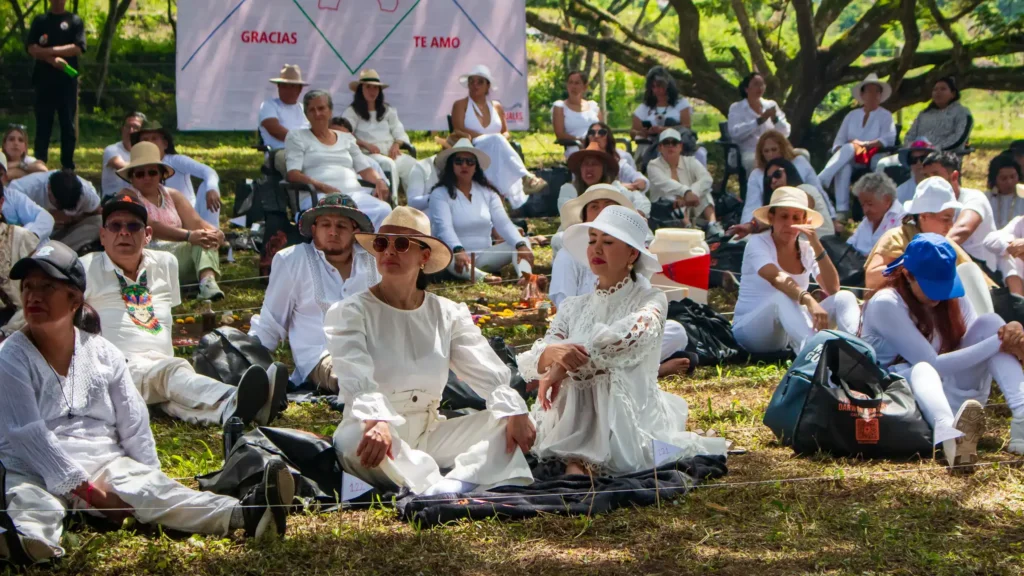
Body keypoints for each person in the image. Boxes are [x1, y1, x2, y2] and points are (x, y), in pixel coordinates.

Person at [0, 241, 293, 565]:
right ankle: (25, 543)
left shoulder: (103, 354)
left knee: (157, 492)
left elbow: (133, 422)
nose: (33, 296)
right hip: (33, 467)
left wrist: (147, 478)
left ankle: (246, 514)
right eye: (28, 287)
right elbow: (28, 436)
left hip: (102, 462)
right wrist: (92, 495)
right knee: (31, 507)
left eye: (46, 287)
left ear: (74, 299)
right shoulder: (11, 356)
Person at [327, 206, 536, 495]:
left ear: (424, 257)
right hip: (371, 429)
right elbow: (354, 373)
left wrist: (514, 410)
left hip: (429, 435)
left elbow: (484, 368)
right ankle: (454, 482)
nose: (389, 251)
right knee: (357, 442)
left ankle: (445, 485)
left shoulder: (448, 313)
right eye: (382, 243)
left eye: (401, 244)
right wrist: (377, 420)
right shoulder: (351, 311)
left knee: (510, 422)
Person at [518, 206, 726, 476]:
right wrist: (555, 356)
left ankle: (584, 460)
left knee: (579, 468)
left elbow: (619, 343)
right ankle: (577, 457)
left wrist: (561, 365)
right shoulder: (573, 306)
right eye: (592, 240)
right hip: (570, 416)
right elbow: (537, 356)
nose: (596, 249)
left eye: (608, 242)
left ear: (632, 253)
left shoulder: (651, 299)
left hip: (625, 419)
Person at [79, 192, 284, 428]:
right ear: (102, 235)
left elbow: (165, 316)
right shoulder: (85, 268)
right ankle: (234, 396)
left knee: (172, 392)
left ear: (147, 235)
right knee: (170, 374)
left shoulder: (166, 263)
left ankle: (234, 411)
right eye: (115, 226)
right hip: (115, 369)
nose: (124, 232)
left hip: (159, 366)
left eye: (133, 226)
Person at [860, 233, 1024, 466]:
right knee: (923, 369)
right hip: (900, 401)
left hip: (953, 393)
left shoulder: (952, 294)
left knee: (991, 322)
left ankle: (1022, 414)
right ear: (908, 275)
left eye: (945, 283)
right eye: (932, 286)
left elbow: (979, 343)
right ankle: (950, 438)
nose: (940, 295)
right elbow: (932, 364)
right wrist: (1001, 340)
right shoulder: (886, 303)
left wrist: (1009, 332)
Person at [548, 185, 691, 377]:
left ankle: (633, 371)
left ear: (631, 253)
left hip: (617, 338)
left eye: (608, 207)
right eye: (595, 207)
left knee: (674, 332)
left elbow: (636, 324)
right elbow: (563, 310)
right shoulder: (568, 259)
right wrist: (554, 351)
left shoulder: (644, 285)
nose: (597, 249)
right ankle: (647, 371)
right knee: (563, 348)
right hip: (576, 337)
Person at [250, 194, 378, 391]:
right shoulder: (293, 260)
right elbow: (270, 323)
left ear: (355, 231)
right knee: (348, 377)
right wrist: (247, 357)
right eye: (326, 225)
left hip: (373, 353)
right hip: (323, 357)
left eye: (342, 226)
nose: (333, 232)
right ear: (314, 229)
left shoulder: (373, 261)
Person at [731, 187, 861, 355]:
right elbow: (777, 278)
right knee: (781, 297)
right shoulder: (757, 243)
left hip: (789, 332)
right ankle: (815, 355)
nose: (790, 224)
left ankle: (856, 352)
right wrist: (809, 300)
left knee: (845, 297)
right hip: (751, 332)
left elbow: (833, 289)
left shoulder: (806, 249)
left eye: (796, 218)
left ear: (805, 221)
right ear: (771, 218)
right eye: (784, 216)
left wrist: (815, 243)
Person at [864, 177, 995, 307]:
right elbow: (871, 278)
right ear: (924, 216)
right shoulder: (896, 237)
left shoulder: (946, 245)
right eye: (945, 219)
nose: (950, 225)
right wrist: (911, 266)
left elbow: (975, 278)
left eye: (951, 219)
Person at [116, 142, 224, 300]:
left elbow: (197, 223)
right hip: (147, 260)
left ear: (161, 174)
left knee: (205, 237)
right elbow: (150, 226)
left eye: (152, 172)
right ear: (131, 178)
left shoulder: (173, 195)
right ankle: (200, 282)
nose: (147, 178)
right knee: (199, 238)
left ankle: (207, 283)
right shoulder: (126, 196)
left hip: (177, 255)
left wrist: (217, 233)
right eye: (140, 174)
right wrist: (188, 236)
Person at [428, 139, 534, 283]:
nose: (464, 165)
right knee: (445, 254)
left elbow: (503, 223)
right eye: (458, 161)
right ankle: (483, 278)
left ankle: (526, 278)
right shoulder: (439, 194)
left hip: (484, 256)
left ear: (476, 167)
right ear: (451, 165)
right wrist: (458, 250)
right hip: (454, 257)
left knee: (521, 241)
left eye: (470, 161)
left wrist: (520, 245)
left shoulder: (488, 192)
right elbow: (444, 228)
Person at [285, 89, 392, 230]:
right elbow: (293, 174)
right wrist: (324, 187)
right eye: (312, 110)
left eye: (321, 108)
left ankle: (371, 244)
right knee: (340, 212)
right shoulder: (296, 137)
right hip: (319, 196)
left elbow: (365, 169)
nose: (317, 114)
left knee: (384, 209)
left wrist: (379, 181)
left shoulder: (346, 138)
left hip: (354, 195)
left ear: (330, 111)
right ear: (306, 114)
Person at [450, 64, 547, 209]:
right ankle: (525, 177)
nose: (475, 85)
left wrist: (501, 139)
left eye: (480, 82)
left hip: (496, 150)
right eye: (472, 81)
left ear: (487, 86)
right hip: (472, 146)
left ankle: (498, 200)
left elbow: (505, 132)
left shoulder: (496, 106)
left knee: (497, 144)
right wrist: (493, 138)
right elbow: (458, 129)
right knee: (496, 140)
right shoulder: (461, 105)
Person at [817, 74, 897, 219]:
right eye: (869, 91)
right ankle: (842, 210)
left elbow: (888, 139)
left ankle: (822, 179)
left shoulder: (885, 116)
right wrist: (845, 150)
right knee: (845, 164)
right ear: (862, 94)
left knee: (850, 147)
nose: (873, 95)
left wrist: (864, 144)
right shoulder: (851, 115)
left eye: (876, 92)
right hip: (850, 157)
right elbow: (839, 140)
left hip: (872, 156)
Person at [923, 152, 1007, 277]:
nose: (930, 182)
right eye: (926, 176)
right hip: (947, 267)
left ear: (954, 176)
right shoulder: (926, 204)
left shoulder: (975, 198)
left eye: (936, 175)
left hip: (982, 274)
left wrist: (928, 256)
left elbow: (962, 230)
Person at [25, 0, 84, 170]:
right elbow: (31, 48)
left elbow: (78, 48)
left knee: (68, 125)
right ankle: (40, 164)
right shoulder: (40, 21)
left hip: (67, 82)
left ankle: (67, 166)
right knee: (43, 124)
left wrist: (50, 52)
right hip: (43, 82)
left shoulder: (74, 21)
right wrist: (52, 60)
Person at [342, 69, 417, 200]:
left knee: (413, 165)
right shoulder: (352, 112)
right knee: (389, 165)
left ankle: (415, 201)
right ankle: (392, 203)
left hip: (390, 152)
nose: (372, 91)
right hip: (369, 155)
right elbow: (345, 133)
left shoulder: (388, 110)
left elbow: (399, 131)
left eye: (375, 88)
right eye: (368, 87)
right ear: (360, 89)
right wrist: (365, 144)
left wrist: (396, 144)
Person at [132, 121, 222, 227]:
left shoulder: (176, 161)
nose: (150, 143)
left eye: (154, 138)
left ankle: (213, 231)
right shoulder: (134, 168)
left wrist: (211, 188)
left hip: (191, 216)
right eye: (145, 140)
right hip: (158, 219)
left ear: (165, 144)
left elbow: (208, 171)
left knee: (207, 185)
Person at [742, 130, 835, 229]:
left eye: (774, 149)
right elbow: (751, 205)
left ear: (782, 148)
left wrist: (833, 217)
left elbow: (818, 191)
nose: (771, 154)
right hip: (771, 221)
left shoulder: (800, 163)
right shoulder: (757, 174)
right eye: (766, 151)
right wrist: (747, 226)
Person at [730, 158, 834, 239]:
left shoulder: (805, 189)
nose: (773, 181)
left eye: (777, 174)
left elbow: (793, 207)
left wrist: (751, 226)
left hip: (822, 250)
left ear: (789, 172)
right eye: (768, 180)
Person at [647, 129, 720, 235]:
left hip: (690, 204)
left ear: (680, 146)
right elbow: (666, 183)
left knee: (705, 192)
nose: (670, 146)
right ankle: (688, 227)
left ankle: (713, 225)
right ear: (660, 147)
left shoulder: (691, 161)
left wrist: (692, 193)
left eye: (674, 143)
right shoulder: (653, 165)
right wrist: (686, 193)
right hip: (664, 211)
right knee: (671, 198)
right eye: (666, 143)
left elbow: (707, 179)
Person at [630, 66, 708, 166]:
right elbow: (633, 132)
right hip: (652, 146)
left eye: (659, 86)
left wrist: (663, 130)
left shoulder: (681, 103)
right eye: (653, 87)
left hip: (679, 144)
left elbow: (686, 127)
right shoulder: (645, 107)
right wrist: (642, 133)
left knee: (700, 154)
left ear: (668, 85)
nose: (656, 90)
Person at [7, 170, 101, 253]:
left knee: (99, 221)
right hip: (33, 234)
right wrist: (46, 218)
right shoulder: (24, 188)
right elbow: (10, 222)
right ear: (49, 188)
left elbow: (97, 213)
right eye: (59, 205)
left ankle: (57, 252)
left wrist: (72, 219)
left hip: (66, 233)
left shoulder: (86, 193)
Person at [556, 141, 650, 219]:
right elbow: (568, 213)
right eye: (585, 164)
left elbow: (640, 199)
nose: (589, 169)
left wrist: (638, 213)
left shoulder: (614, 187)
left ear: (604, 169)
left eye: (594, 164)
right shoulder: (569, 189)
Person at [0, 180, 39, 340]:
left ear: (1, 203)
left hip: (15, 328)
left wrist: (7, 332)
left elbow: (39, 294)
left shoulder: (22, 239)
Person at [728, 72, 790, 173]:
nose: (760, 88)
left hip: (775, 149)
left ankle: (795, 182)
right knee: (754, 162)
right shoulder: (736, 108)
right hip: (750, 151)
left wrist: (775, 120)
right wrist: (759, 121)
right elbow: (735, 133)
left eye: (762, 84)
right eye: (756, 84)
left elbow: (786, 132)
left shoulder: (771, 105)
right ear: (746, 89)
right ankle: (759, 183)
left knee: (802, 155)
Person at [259, 64, 310, 175]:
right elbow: (275, 130)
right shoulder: (269, 106)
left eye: (292, 86)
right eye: (284, 86)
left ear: (300, 89)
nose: (288, 90)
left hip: (307, 150)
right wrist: (302, 142)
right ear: (278, 87)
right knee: (294, 163)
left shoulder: (305, 109)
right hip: (279, 152)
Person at [903, 77, 972, 153]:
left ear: (953, 94)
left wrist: (933, 148)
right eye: (935, 90)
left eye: (943, 89)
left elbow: (959, 138)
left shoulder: (962, 113)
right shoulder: (924, 114)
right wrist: (914, 148)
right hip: (917, 154)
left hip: (946, 156)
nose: (938, 92)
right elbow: (910, 136)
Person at [846, 173, 905, 256]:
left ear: (887, 200)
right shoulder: (867, 221)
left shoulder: (902, 221)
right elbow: (848, 246)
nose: (865, 210)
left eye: (870, 204)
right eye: (862, 205)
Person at [581, 121, 647, 191]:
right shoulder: (580, 159)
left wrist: (633, 185)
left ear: (608, 137)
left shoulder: (621, 159)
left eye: (602, 132)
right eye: (591, 133)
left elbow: (639, 179)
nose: (596, 136)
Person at [552, 71, 602, 156]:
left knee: (623, 157)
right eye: (570, 83)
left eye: (577, 83)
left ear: (585, 86)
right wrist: (580, 140)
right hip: (576, 147)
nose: (573, 86)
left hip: (598, 145)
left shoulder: (593, 106)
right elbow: (560, 135)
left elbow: (603, 129)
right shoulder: (560, 106)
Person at [100, 112, 145, 198]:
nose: (131, 131)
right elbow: (122, 167)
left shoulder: (144, 152)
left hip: (137, 199)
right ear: (122, 129)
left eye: (136, 128)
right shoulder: (112, 149)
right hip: (113, 199)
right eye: (128, 127)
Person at [985, 153, 1024, 229]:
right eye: (1003, 178)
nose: (1009, 182)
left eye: (1013, 177)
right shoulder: (986, 198)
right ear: (995, 179)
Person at [894, 139, 935, 204]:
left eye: (923, 159)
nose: (918, 163)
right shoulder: (900, 192)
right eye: (913, 160)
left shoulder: (943, 185)